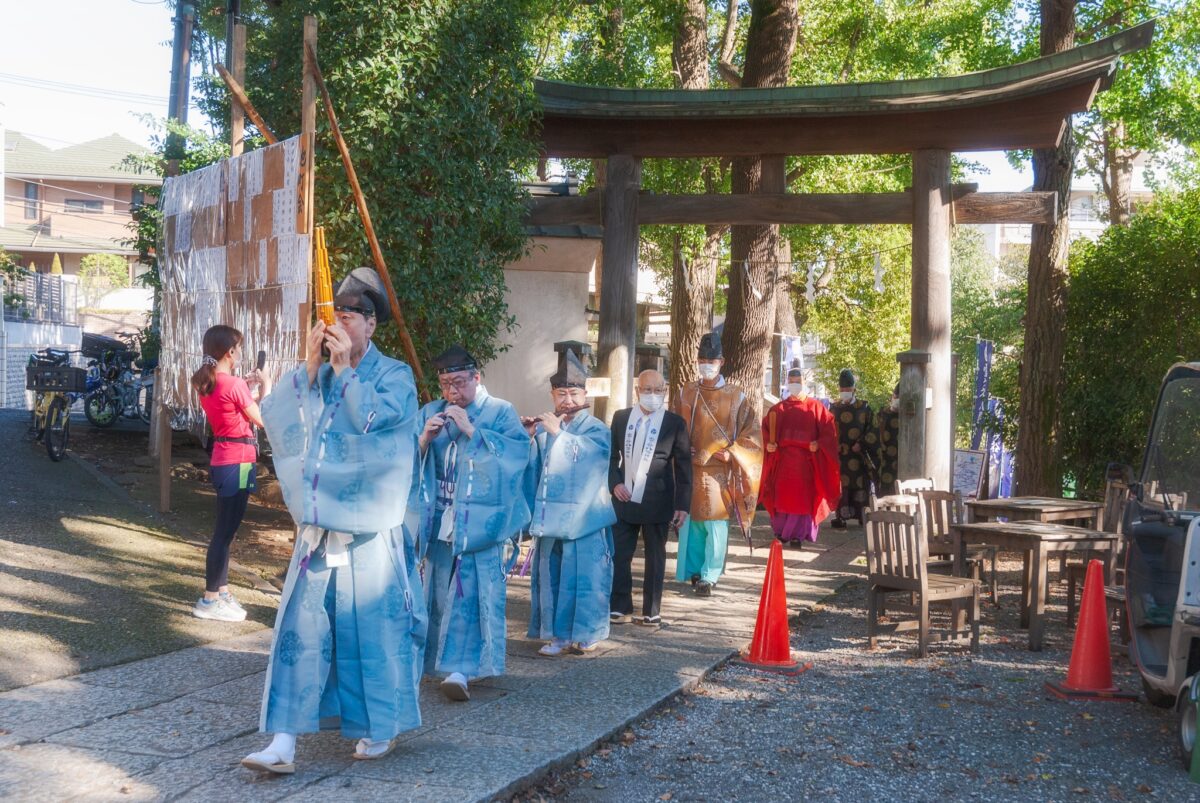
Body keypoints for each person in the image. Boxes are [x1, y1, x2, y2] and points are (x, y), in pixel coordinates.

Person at [243, 268, 424, 773]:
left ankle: (378, 726)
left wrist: (344, 373)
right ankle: (283, 741)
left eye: (348, 315)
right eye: (334, 315)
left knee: (373, 632)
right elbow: (282, 417)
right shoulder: (318, 372)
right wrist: (309, 362)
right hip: (321, 529)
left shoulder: (394, 376)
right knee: (301, 630)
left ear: (371, 324)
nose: (338, 324)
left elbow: (374, 427)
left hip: (371, 530)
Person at [413, 345, 530, 702]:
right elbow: (406, 459)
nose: (451, 393)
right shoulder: (431, 411)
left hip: (478, 523)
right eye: (445, 385)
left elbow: (517, 457)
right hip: (440, 516)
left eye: (459, 383)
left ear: (477, 378)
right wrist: (422, 441)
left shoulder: (499, 412)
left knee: (470, 595)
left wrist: (474, 433)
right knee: (436, 593)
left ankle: (462, 670)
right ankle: (433, 663)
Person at [525, 347, 617, 655]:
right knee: (552, 579)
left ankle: (587, 633)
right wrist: (528, 438)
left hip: (586, 519)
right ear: (552, 395)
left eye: (574, 393)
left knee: (585, 579)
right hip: (552, 519)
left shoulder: (597, 429)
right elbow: (533, 471)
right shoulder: (545, 428)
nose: (567, 400)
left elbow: (595, 459)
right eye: (561, 393)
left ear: (585, 394)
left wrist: (560, 437)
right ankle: (558, 636)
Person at [670, 332, 762, 596]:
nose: (706, 363)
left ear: (722, 361)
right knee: (692, 521)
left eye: (711, 359)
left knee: (716, 522)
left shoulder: (736, 396)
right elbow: (673, 425)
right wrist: (678, 445)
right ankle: (693, 570)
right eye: (702, 359)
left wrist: (733, 453)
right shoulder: (686, 392)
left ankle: (710, 575)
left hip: (719, 469)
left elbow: (752, 432)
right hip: (689, 467)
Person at [191, 324, 268, 622]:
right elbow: (260, 419)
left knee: (228, 530)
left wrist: (247, 389)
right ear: (229, 352)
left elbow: (237, 410)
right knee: (224, 532)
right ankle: (209, 599)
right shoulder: (232, 384)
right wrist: (266, 386)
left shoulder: (210, 383)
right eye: (237, 349)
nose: (239, 354)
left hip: (230, 458)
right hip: (237, 460)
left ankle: (221, 591)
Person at [608, 369, 691, 626]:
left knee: (656, 557)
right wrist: (615, 484)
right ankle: (620, 605)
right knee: (619, 554)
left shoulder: (674, 423)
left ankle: (651, 610)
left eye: (658, 390)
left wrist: (682, 505)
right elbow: (611, 457)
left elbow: (685, 466)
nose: (652, 395)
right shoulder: (621, 418)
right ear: (637, 391)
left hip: (658, 499)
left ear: (664, 392)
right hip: (624, 498)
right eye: (647, 390)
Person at [760, 367, 840, 547]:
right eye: (792, 381)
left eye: (798, 381)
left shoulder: (816, 408)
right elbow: (764, 433)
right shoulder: (777, 409)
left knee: (803, 499)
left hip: (806, 465)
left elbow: (829, 433)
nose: (795, 385)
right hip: (783, 464)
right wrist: (769, 446)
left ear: (805, 382)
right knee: (782, 497)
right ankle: (781, 532)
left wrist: (819, 444)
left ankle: (799, 534)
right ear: (788, 383)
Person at [829, 368, 876, 529]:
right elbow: (828, 431)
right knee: (842, 487)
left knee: (860, 485)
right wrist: (834, 446)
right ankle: (840, 517)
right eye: (842, 390)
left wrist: (861, 443)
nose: (845, 392)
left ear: (854, 389)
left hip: (858, 454)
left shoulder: (864, 407)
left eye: (848, 389)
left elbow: (872, 429)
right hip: (840, 455)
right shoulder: (833, 408)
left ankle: (863, 516)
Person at [875, 384, 900, 497]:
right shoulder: (881, 415)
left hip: (900, 466)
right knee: (883, 500)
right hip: (883, 465)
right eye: (896, 397)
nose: (897, 400)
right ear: (892, 396)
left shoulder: (908, 419)